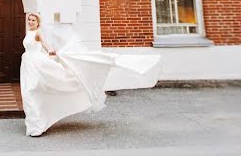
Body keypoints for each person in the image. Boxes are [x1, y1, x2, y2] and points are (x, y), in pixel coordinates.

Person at [19, 12, 161, 137]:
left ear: (38, 22)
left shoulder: (38, 33)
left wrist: (51, 50)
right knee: (30, 92)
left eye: (33, 20)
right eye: (29, 20)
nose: (30, 22)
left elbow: (45, 44)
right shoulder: (29, 32)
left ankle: (37, 125)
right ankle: (34, 124)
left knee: (35, 89)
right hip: (28, 63)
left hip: (36, 63)